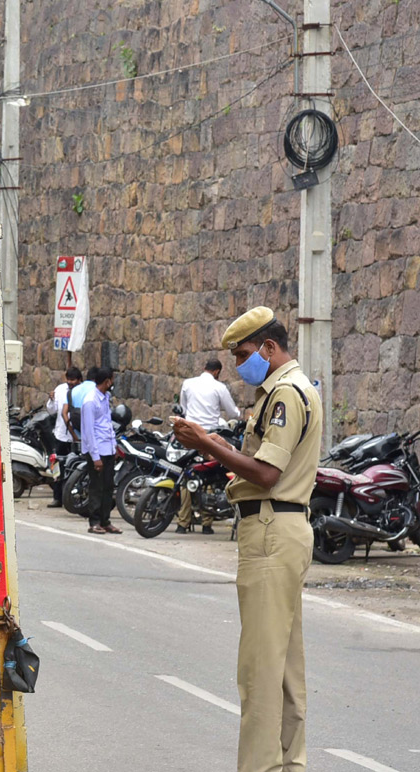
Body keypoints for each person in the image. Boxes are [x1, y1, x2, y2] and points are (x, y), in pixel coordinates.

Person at [172, 307, 320, 772]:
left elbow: (267, 473)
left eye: (244, 354)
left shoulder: (284, 396)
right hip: (285, 530)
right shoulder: (293, 390)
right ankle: (290, 764)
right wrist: (215, 444)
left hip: (272, 532)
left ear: (270, 348)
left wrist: (205, 442)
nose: (240, 365)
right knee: (284, 672)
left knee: (259, 672)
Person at [176, 358, 240, 534]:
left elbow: (183, 408)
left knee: (188, 476)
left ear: (203, 368)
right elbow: (233, 412)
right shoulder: (219, 388)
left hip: (189, 435)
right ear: (217, 372)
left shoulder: (188, 384)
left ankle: (183, 522)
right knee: (209, 475)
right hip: (209, 437)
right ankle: (206, 523)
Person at [80, 366, 120, 535]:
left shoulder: (105, 397)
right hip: (97, 451)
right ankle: (94, 521)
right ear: (107, 381)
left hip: (108, 448)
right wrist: (95, 457)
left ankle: (105, 520)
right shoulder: (90, 401)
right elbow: (89, 431)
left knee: (108, 486)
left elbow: (106, 424)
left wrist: (114, 445)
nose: (113, 382)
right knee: (97, 487)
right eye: (112, 379)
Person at [46, 366, 83, 507]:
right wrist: (51, 400)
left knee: (76, 468)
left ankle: (74, 497)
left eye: (73, 380)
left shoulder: (84, 392)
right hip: (61, 435)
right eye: (68, 379)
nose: (70, 382)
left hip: (78, 437)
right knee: (57, 466)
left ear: (79, 380)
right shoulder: (60, 389)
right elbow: (51, 410)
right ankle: (57, 497)